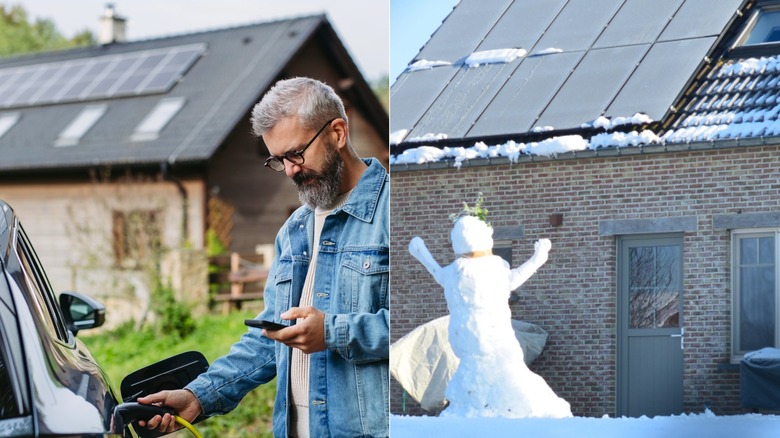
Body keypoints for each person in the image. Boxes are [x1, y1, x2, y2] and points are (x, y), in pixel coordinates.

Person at [138, 77, 389, 437]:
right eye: (278, 160)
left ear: (337, 133)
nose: (289, 171)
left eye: (296, 154)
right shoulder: (294, 230)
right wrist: (198, 396)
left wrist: (334, 332)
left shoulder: (396, 214)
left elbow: (425, 329)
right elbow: (271, 334)